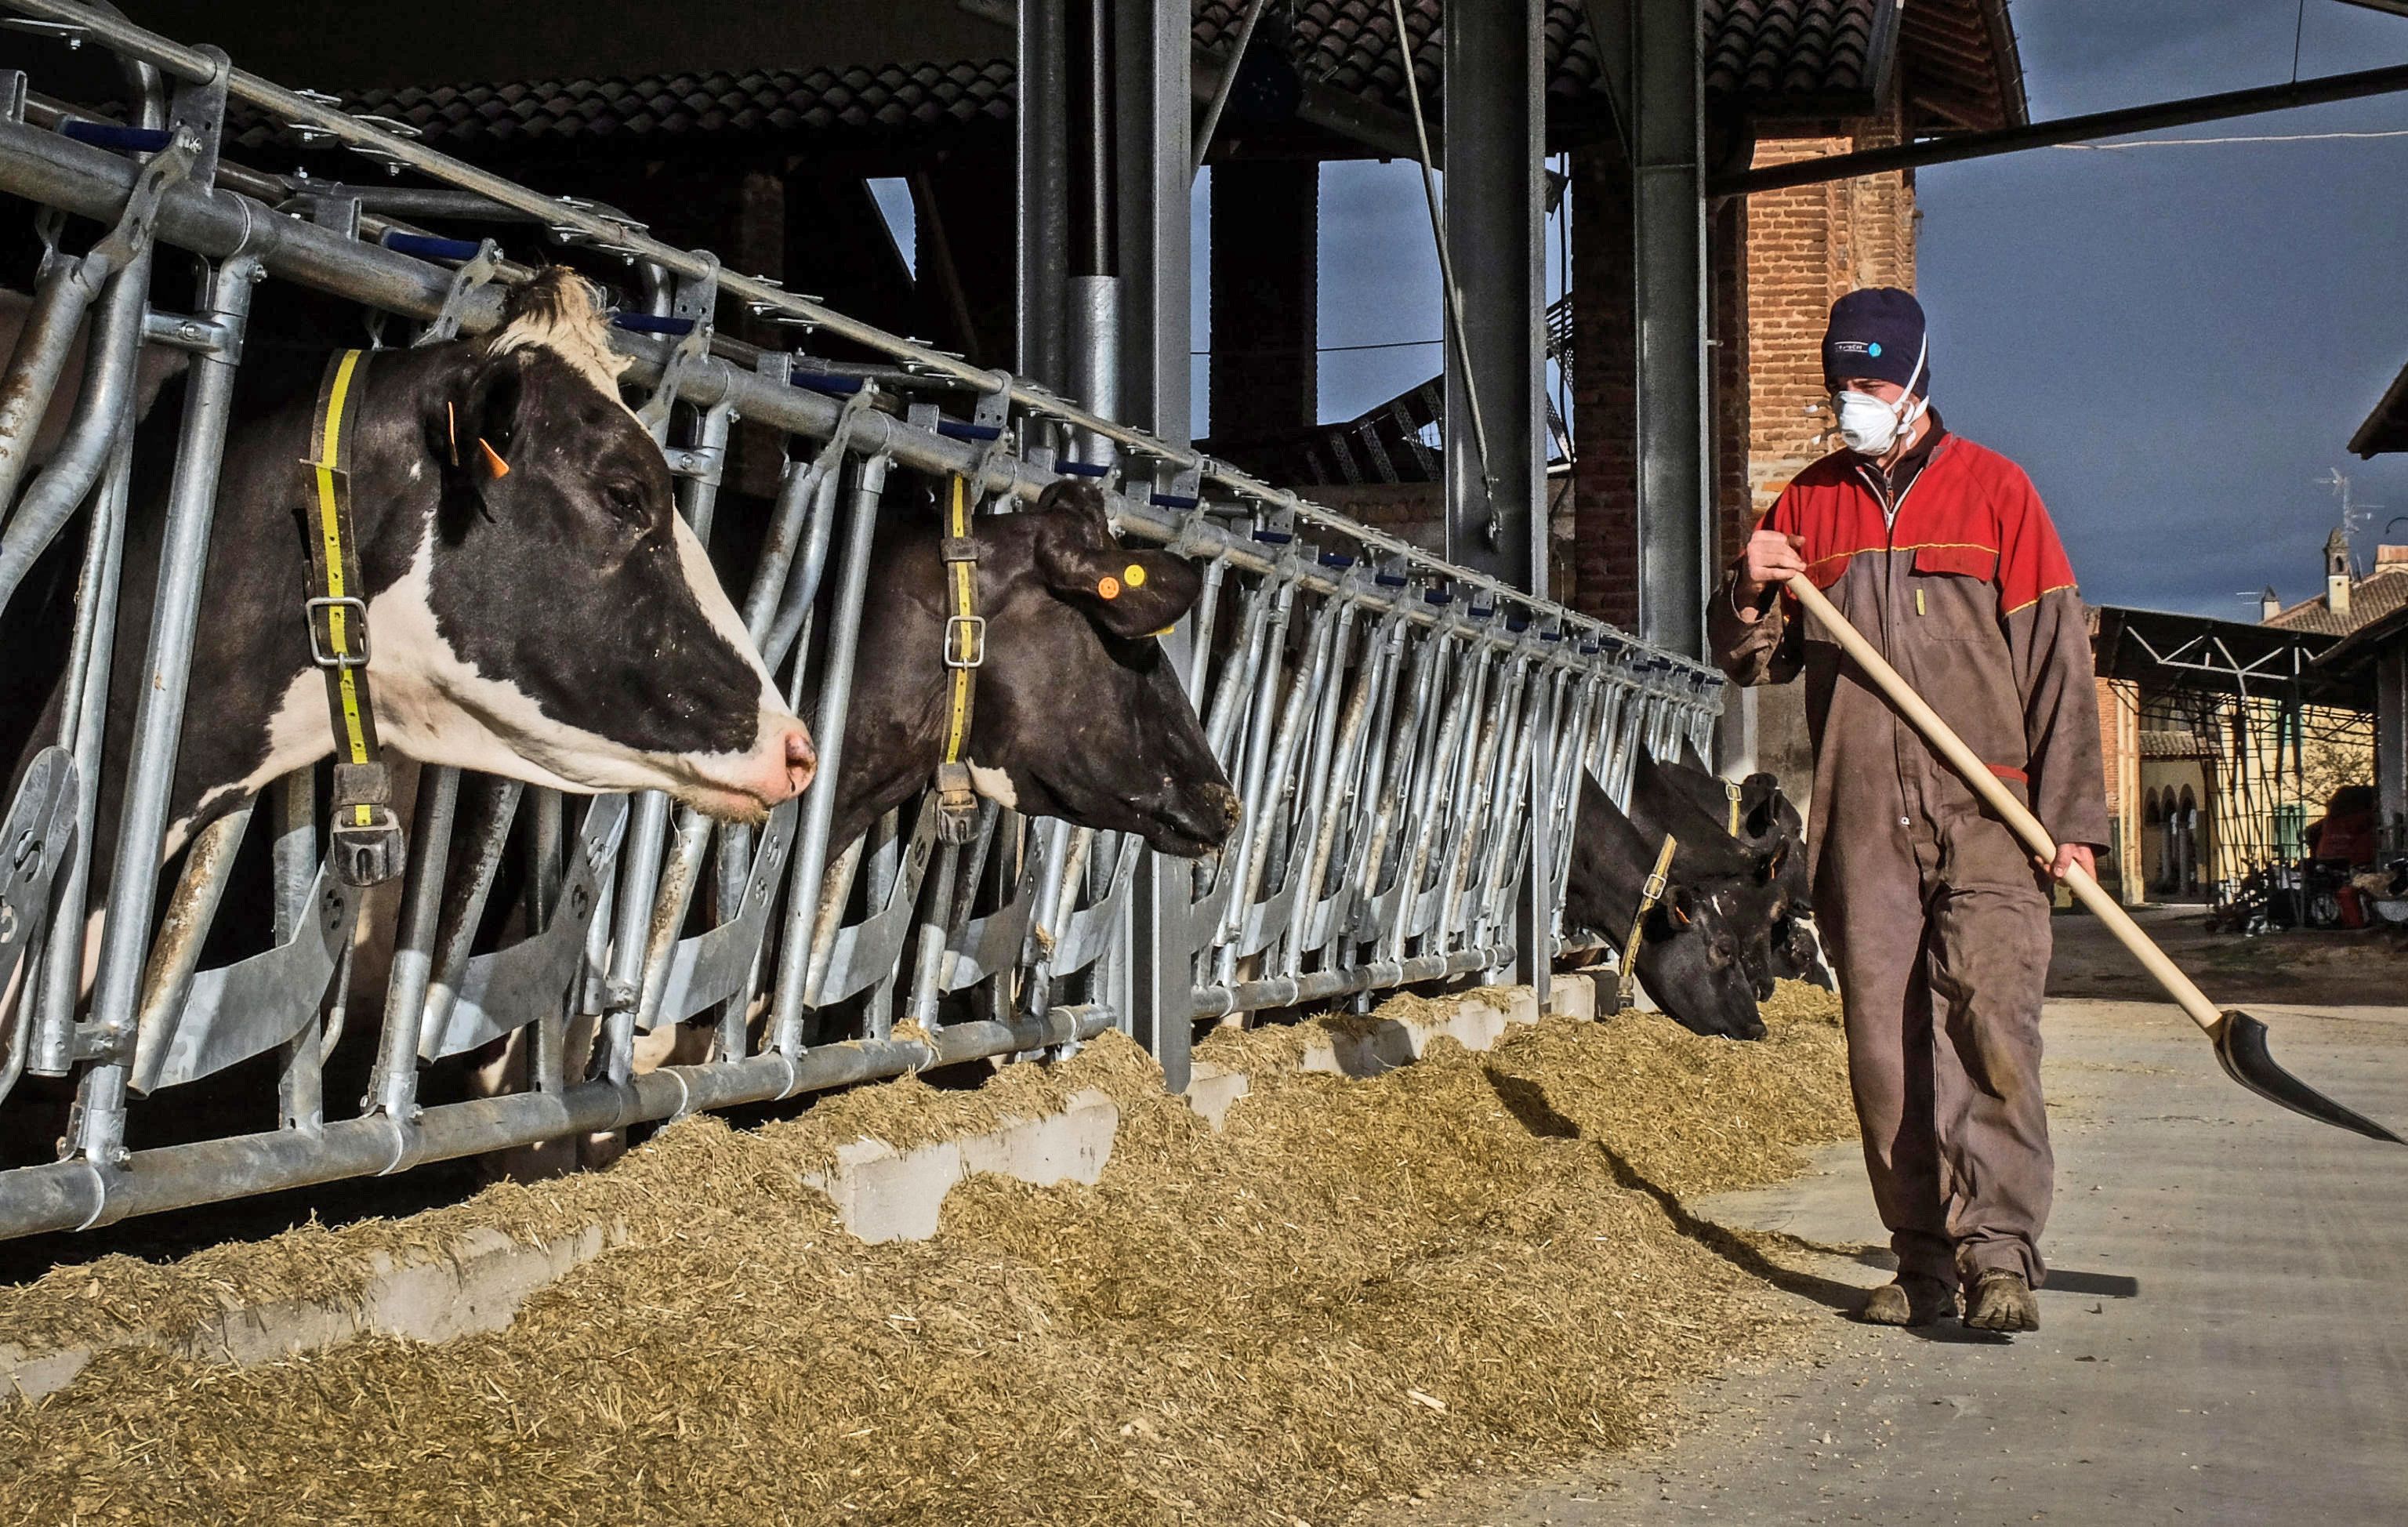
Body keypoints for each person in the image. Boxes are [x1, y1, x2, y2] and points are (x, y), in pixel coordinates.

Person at [1710, 288, 2107, 1333]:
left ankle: (2001, 1256)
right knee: (1883, 1044)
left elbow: (2061, 668)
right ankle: (1923, 1260)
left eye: (1874, 384)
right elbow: (1750, 661)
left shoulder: (1998, 496)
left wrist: (2074, 822)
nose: (1856, 403)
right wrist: (1750, 588)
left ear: (1921, 381)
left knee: (1990, 1023)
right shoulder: (1807, 507)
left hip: (1992, 812)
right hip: (1863, 816)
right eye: (1843, 386)